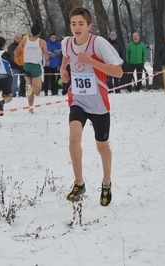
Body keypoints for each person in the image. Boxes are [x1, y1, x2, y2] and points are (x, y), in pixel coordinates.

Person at [60, 7, 123, 206]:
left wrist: (92, 62)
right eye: (73, 24)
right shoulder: (67, 43)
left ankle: (106, 184)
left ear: (89, 26)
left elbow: (119, 72)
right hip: (78, 101)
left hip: (98, 104)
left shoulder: (98, 44)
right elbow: (67, 54)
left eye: (81, 24)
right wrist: (63, 68)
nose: (77, 28)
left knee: (102, 147)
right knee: (73, 138)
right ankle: (79, 183)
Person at [17, 24, 49, 114]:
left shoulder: (24, 41)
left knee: (30, 90)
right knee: (37, 91)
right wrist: (47, 60)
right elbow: (46, 53)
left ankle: (30, 109)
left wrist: (17, 56)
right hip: (35, 66)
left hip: (26, 66)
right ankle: (30, 87)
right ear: (39, 32)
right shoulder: (41, 42)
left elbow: (16, 51)